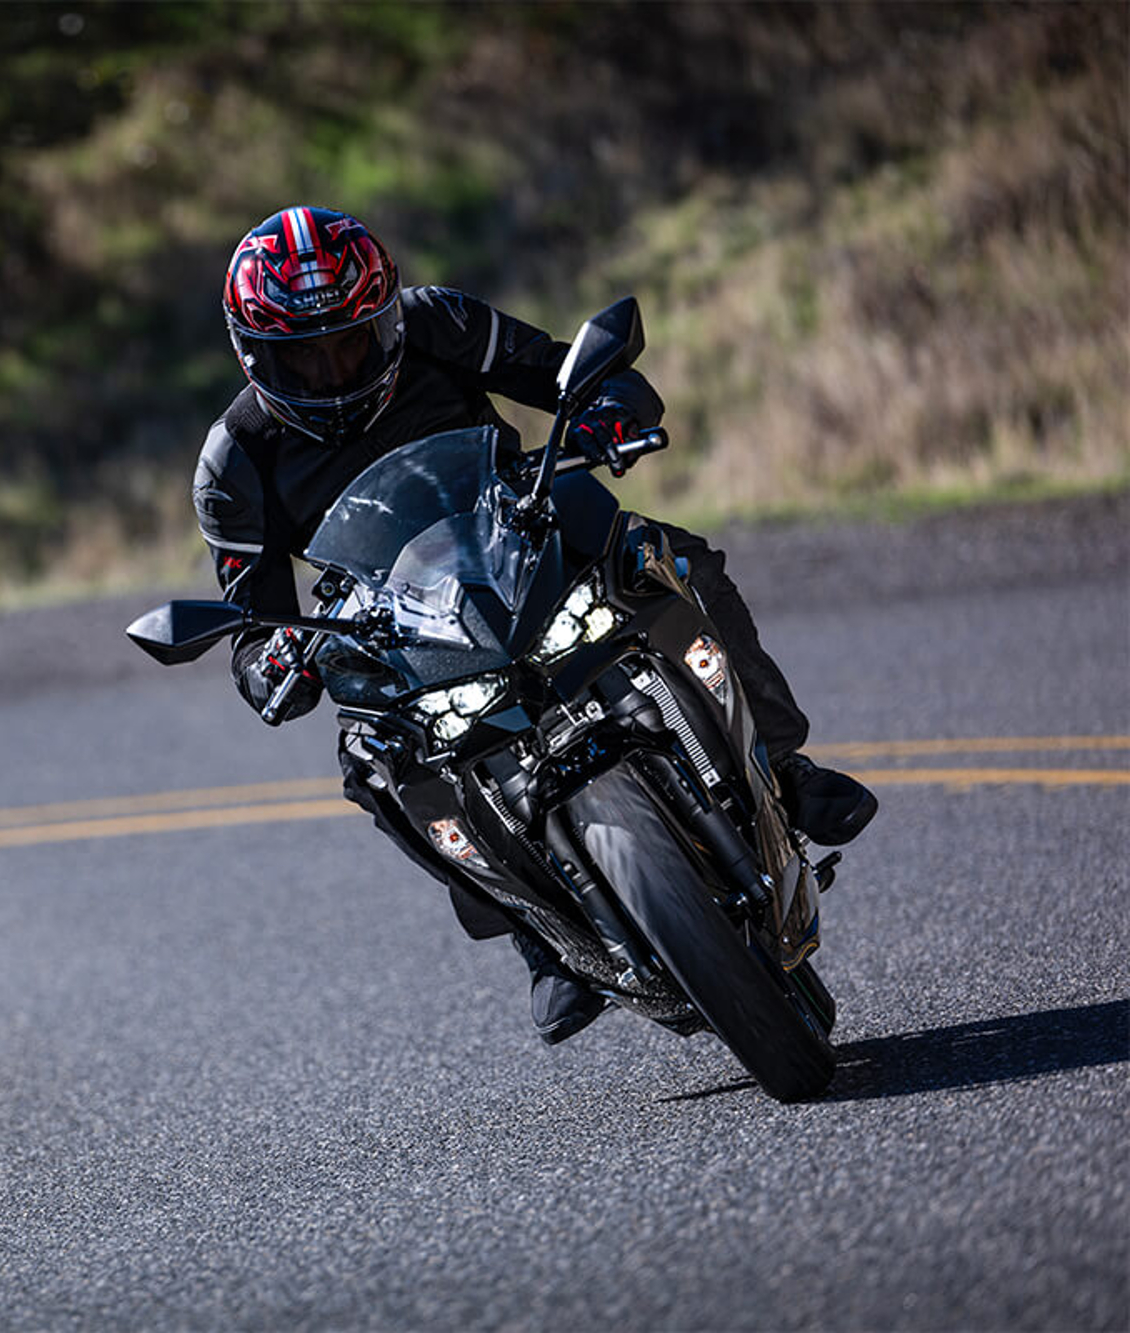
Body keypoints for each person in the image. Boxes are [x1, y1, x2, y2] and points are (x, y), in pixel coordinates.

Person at [193, 205, 877, 1045]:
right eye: (304, 353)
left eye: (352, 341)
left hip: (520, 534)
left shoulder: (437, 323)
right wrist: (277, 661)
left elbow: (576, 374)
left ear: (387, 318)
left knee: (668, 556)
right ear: (254, 355)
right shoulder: (234, 461)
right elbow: (250, 629)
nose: (334, 368)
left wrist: (608, 411)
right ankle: (538, 937)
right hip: (397, 621)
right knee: (369, 760)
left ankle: (781, 766)